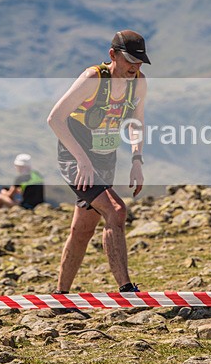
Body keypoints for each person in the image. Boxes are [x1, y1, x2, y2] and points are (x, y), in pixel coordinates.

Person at [47, 30, 149, 295]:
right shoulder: (93, 78)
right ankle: (126, 289)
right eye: (129, 61)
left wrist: (137, 160)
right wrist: (81, 160)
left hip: (106, 158)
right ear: (112, 55)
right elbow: (55, 119)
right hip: (76, 157)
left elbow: (136, 122)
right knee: (116, 210)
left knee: (83, 229)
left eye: (139, 62)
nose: (134, 68)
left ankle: (61, 296)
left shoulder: (138, 82)